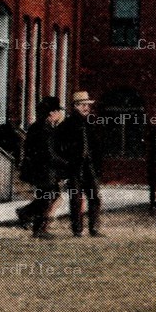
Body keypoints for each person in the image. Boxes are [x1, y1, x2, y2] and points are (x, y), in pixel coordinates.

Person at [17, 97, 67, 238]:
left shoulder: (41, 127)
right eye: (58, 111)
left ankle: (26, 214)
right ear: (52, 113)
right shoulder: (44, 130)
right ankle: (38, 228)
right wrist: (65, 163)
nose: (59, 114)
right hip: (43, 170)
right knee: (47, 198)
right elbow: (49, 153)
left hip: (43, 169)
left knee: (51, 196)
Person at [58, 90, 104, 237]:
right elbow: (60, 147)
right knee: (76, 199)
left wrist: (97, 166)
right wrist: (67, 164)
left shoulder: (91, 123)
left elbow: (97, 146)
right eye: (83, 105)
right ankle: (77, 229)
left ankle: (94, 228)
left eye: (87, 105)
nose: (86, 108)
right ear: (75, 106)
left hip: (89, 166)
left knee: (95, 197)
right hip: (74, 167)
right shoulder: (67, 125)